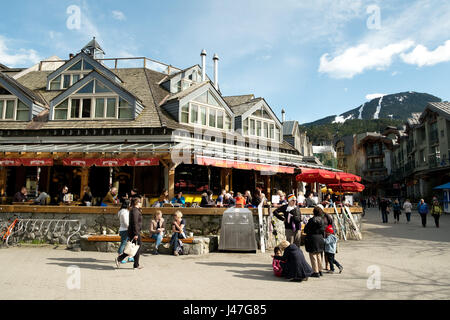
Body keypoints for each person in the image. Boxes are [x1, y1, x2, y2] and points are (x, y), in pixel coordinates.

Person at [115, 197, 143, 269]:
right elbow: (135, 223)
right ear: (137, 203)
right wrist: (136, 234)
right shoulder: (135, 211)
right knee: (136, 247)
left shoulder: (133, 210)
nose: (141, 203)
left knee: (134, 248)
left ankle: (134, 264)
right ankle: (135, 264)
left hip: (133, 232)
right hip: (135, 232)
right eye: (140, 202)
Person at [304, 206, 325, 278]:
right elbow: (323, 230)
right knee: (318, 254)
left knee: (313, 255)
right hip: (320, 238)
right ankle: (320, 270)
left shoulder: (312, 220)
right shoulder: (322, 220)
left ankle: (315, 271)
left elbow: (306, 229)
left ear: (314, 212)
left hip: (312, 238)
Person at [117, 200, 133, 264]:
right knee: (123, 244)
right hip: (125, 230)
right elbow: (126, 222)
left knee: (128, 243)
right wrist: (130, 228)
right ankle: (119, 257)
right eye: (129, 204)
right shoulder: (124, 212)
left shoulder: (120, 211)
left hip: (123, 229)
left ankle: (130, 257)